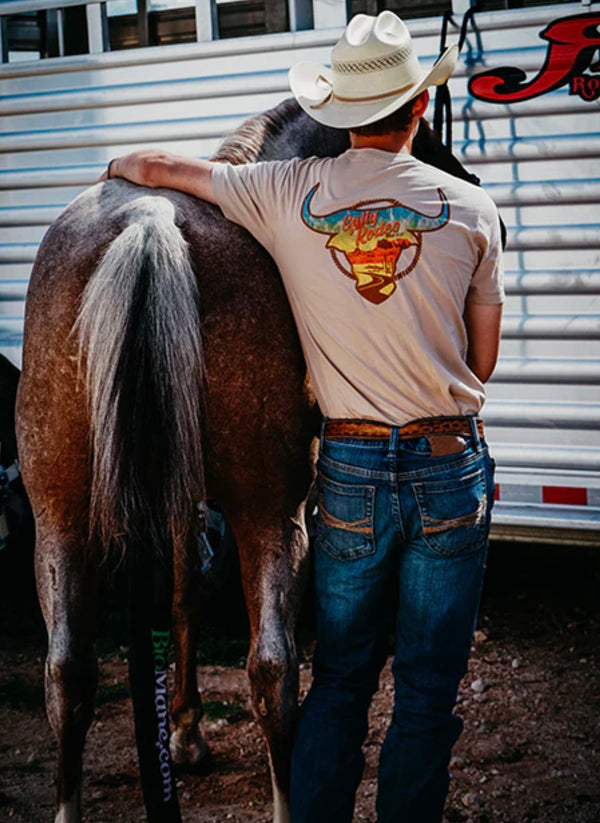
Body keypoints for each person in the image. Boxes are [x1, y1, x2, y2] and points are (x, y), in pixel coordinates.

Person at [102, 10, 504, 822]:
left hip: (349, 475)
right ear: (419, 109)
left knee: (342, 678)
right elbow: (483, 361)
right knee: (428, 689)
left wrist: (115, 163)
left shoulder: (285, 191)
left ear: (341, 116)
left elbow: (159, 165)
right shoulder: (471, 208)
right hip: (449, 466)